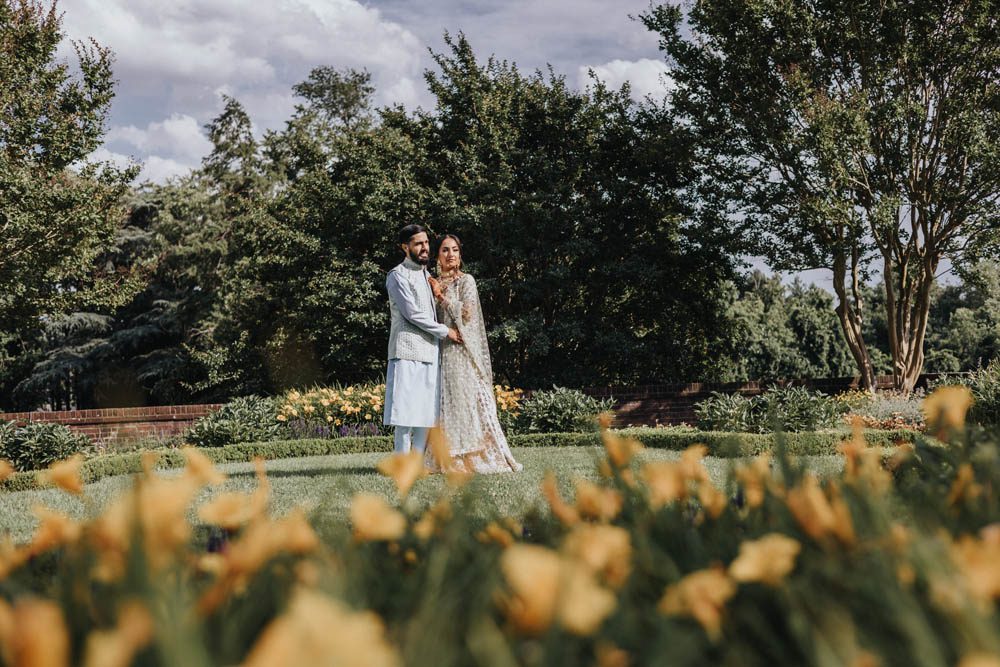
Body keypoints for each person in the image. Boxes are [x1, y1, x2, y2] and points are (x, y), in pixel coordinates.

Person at [426, 234, 522, 473]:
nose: (450, 255)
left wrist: (441, 296)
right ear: (437, 255)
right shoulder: (432, 282)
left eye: (455, 250)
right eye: (445, 250)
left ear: (460, 255)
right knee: (445, 403)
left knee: (466, 401)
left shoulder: (465, 281)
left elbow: (467, 314)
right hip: (440, 351)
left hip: (462, 351)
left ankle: (470, 455)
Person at [383, 225, 463, 454]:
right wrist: (445, 331)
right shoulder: (397, 275)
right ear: (404, 247)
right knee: (405, 413)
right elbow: (412, 314)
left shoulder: (427, 276)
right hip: (406, 350)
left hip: (430, 351)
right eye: (418, 243)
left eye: (426, 243)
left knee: (425, 414)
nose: (425, 248)